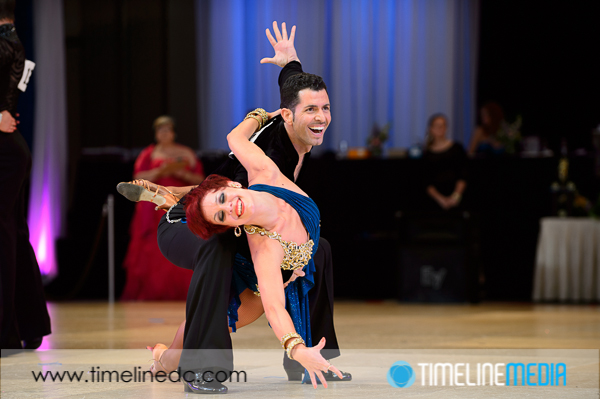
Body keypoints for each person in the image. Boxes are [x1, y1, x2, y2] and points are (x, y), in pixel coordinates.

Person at [118, 22, 349, 394]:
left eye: (324, 108)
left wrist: (291, 63)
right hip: (193, 223)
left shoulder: (290, 136)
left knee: (319, 251)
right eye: (312, 111)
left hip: (230, 218)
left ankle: (311, 362)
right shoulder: (268, 163)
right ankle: (202, 370)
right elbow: (223, 197)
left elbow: (294, 93)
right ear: (288, 116)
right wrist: (256, 115)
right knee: (220, 249)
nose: (321, 117)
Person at [0, 0, 51, 351]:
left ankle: (11, 328)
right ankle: (26, 325)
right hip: (11, 148)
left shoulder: (7, 42)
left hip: (4, 149)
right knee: (12, 234)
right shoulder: (12, 40)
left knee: (6, 235)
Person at [121, 116, 204, 300]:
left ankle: (186, 291)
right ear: (156, 133)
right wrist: (161, 171)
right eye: (161, 130)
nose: (165, 133)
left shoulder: (186, 152)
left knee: (181, 238)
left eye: (168, 130)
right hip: (153, 207)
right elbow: (137, 176)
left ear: (173, 132)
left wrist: (180, 172)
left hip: (180, 201)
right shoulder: (149, 153)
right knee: (151, 245)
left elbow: (200, 180)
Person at [423, 113, 467, 211]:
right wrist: (441, 199)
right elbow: (426, 181)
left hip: (456, 197)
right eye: (437, 125)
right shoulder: (426, 153)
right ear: (431, 128)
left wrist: (455, 197)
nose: (440, 128)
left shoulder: (457, 148)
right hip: (434, 200)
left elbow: (463, 175)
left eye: (442, 125)